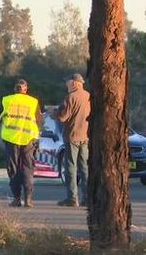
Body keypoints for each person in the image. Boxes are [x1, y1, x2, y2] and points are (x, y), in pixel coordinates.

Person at [0, 79, 43, 208]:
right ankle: (28, 199)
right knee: (28, 168)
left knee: (13, 169)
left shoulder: (7, 100)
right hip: (28, 139)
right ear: (26, 89)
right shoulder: (33, 102)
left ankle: (17, 199)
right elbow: (39, 120)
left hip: (11, 139)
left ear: (14, 89)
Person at [56, 73, 91, 207]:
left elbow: (63, 117)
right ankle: (87, 198)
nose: (66, 84)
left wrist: (55, 113)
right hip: (85, 136)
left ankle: (72, 198)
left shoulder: (70, 97)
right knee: (85, 168)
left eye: (68, 82)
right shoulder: (88, 96)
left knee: (70, 167)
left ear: (74, 83)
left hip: (72, 136)